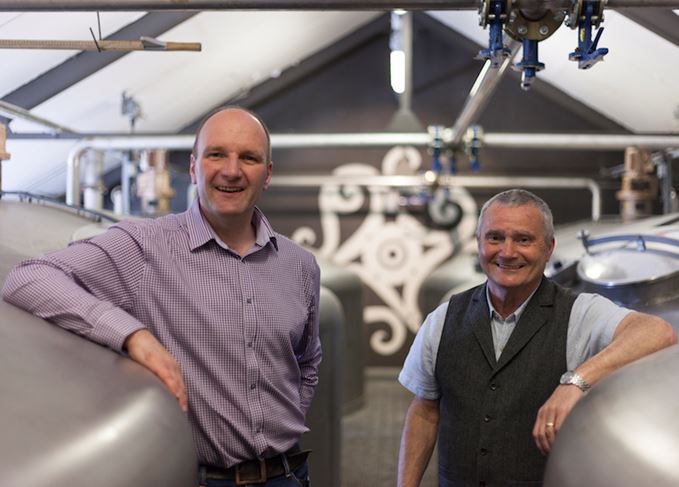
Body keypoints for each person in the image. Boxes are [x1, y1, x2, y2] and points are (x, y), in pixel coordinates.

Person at [2, 107, 321, 487]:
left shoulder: (299, 265)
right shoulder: (145, 247)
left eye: (248, 158)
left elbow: (308, 361)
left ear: (266, 174)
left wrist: (284, 426)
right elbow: (29, 277)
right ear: (193, 167)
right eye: (216, 154)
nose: (232, 170)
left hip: (289, 476)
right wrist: (134, 335)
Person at [397, 189, 677, 487]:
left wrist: (576, 382)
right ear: (478, 243)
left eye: (523, 239)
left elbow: (659, 332)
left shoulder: (579, 313)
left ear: (549, 247)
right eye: (494, 238)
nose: (507, 252)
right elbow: (425, 411)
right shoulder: (444, 318)